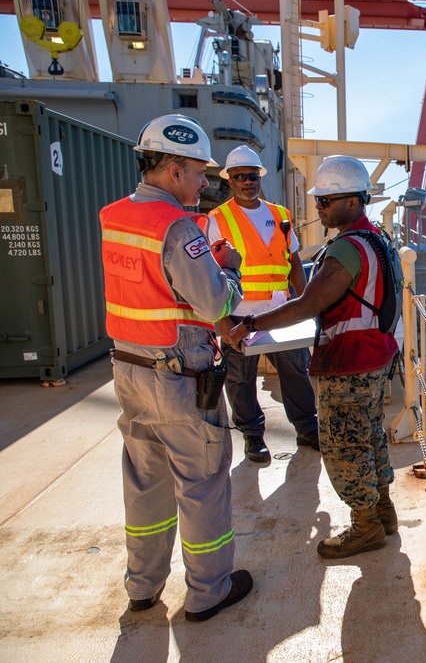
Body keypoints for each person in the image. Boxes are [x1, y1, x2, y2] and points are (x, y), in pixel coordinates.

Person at [101, 114, 252, 621]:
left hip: (128, 369)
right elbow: (212, 303)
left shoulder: (114, 217)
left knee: (145, 481)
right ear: (170, 168)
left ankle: (142, 586)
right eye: (196, 171)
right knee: (203, 479)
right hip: (178, 376)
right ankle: (209, 591)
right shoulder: (177, 225)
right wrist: (226, 268)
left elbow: (151, 282)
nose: (204, 182)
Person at [230, 155, 398, 559]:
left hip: (349, 364)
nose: (319, 208)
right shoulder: (378, 240)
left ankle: (365, 527)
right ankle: (384, 511)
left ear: (354, 203)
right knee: (370, 436)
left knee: (344, 447)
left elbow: (307, 304)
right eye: (319, 200)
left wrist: (250, 324)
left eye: (327, 200)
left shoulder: (347, 248)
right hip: (375, 358)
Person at [204, 145, 319, 464]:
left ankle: (307, 428)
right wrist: (222, 321)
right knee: (239, 379)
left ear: (259, 177)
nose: (246, 181)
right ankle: (253, 437)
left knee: (297, 370)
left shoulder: (280, 214)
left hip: (280, 313)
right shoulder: (218, 218)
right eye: (239, 176)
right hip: (238, 313)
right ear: (229, 180)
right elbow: (212, 271)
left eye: (252, 175)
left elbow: (294, 263)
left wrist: (307, 303)